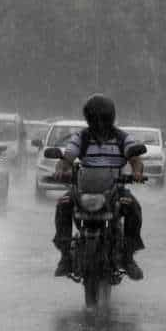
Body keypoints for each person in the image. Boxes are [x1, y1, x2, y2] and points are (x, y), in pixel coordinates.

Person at [53, 94, 145, 280]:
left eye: (103, 118)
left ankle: (128, 257)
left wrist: (137, 172)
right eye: (94, 118)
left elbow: (135, 159)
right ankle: (65, 256)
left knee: (133, 208)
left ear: (110, 118)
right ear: (88, 119)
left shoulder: (122, 138)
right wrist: (61, 169)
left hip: (114, 190)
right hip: (84, 189)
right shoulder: (82, 137)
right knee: (63, 204)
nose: (99, 123)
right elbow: (68, 157)